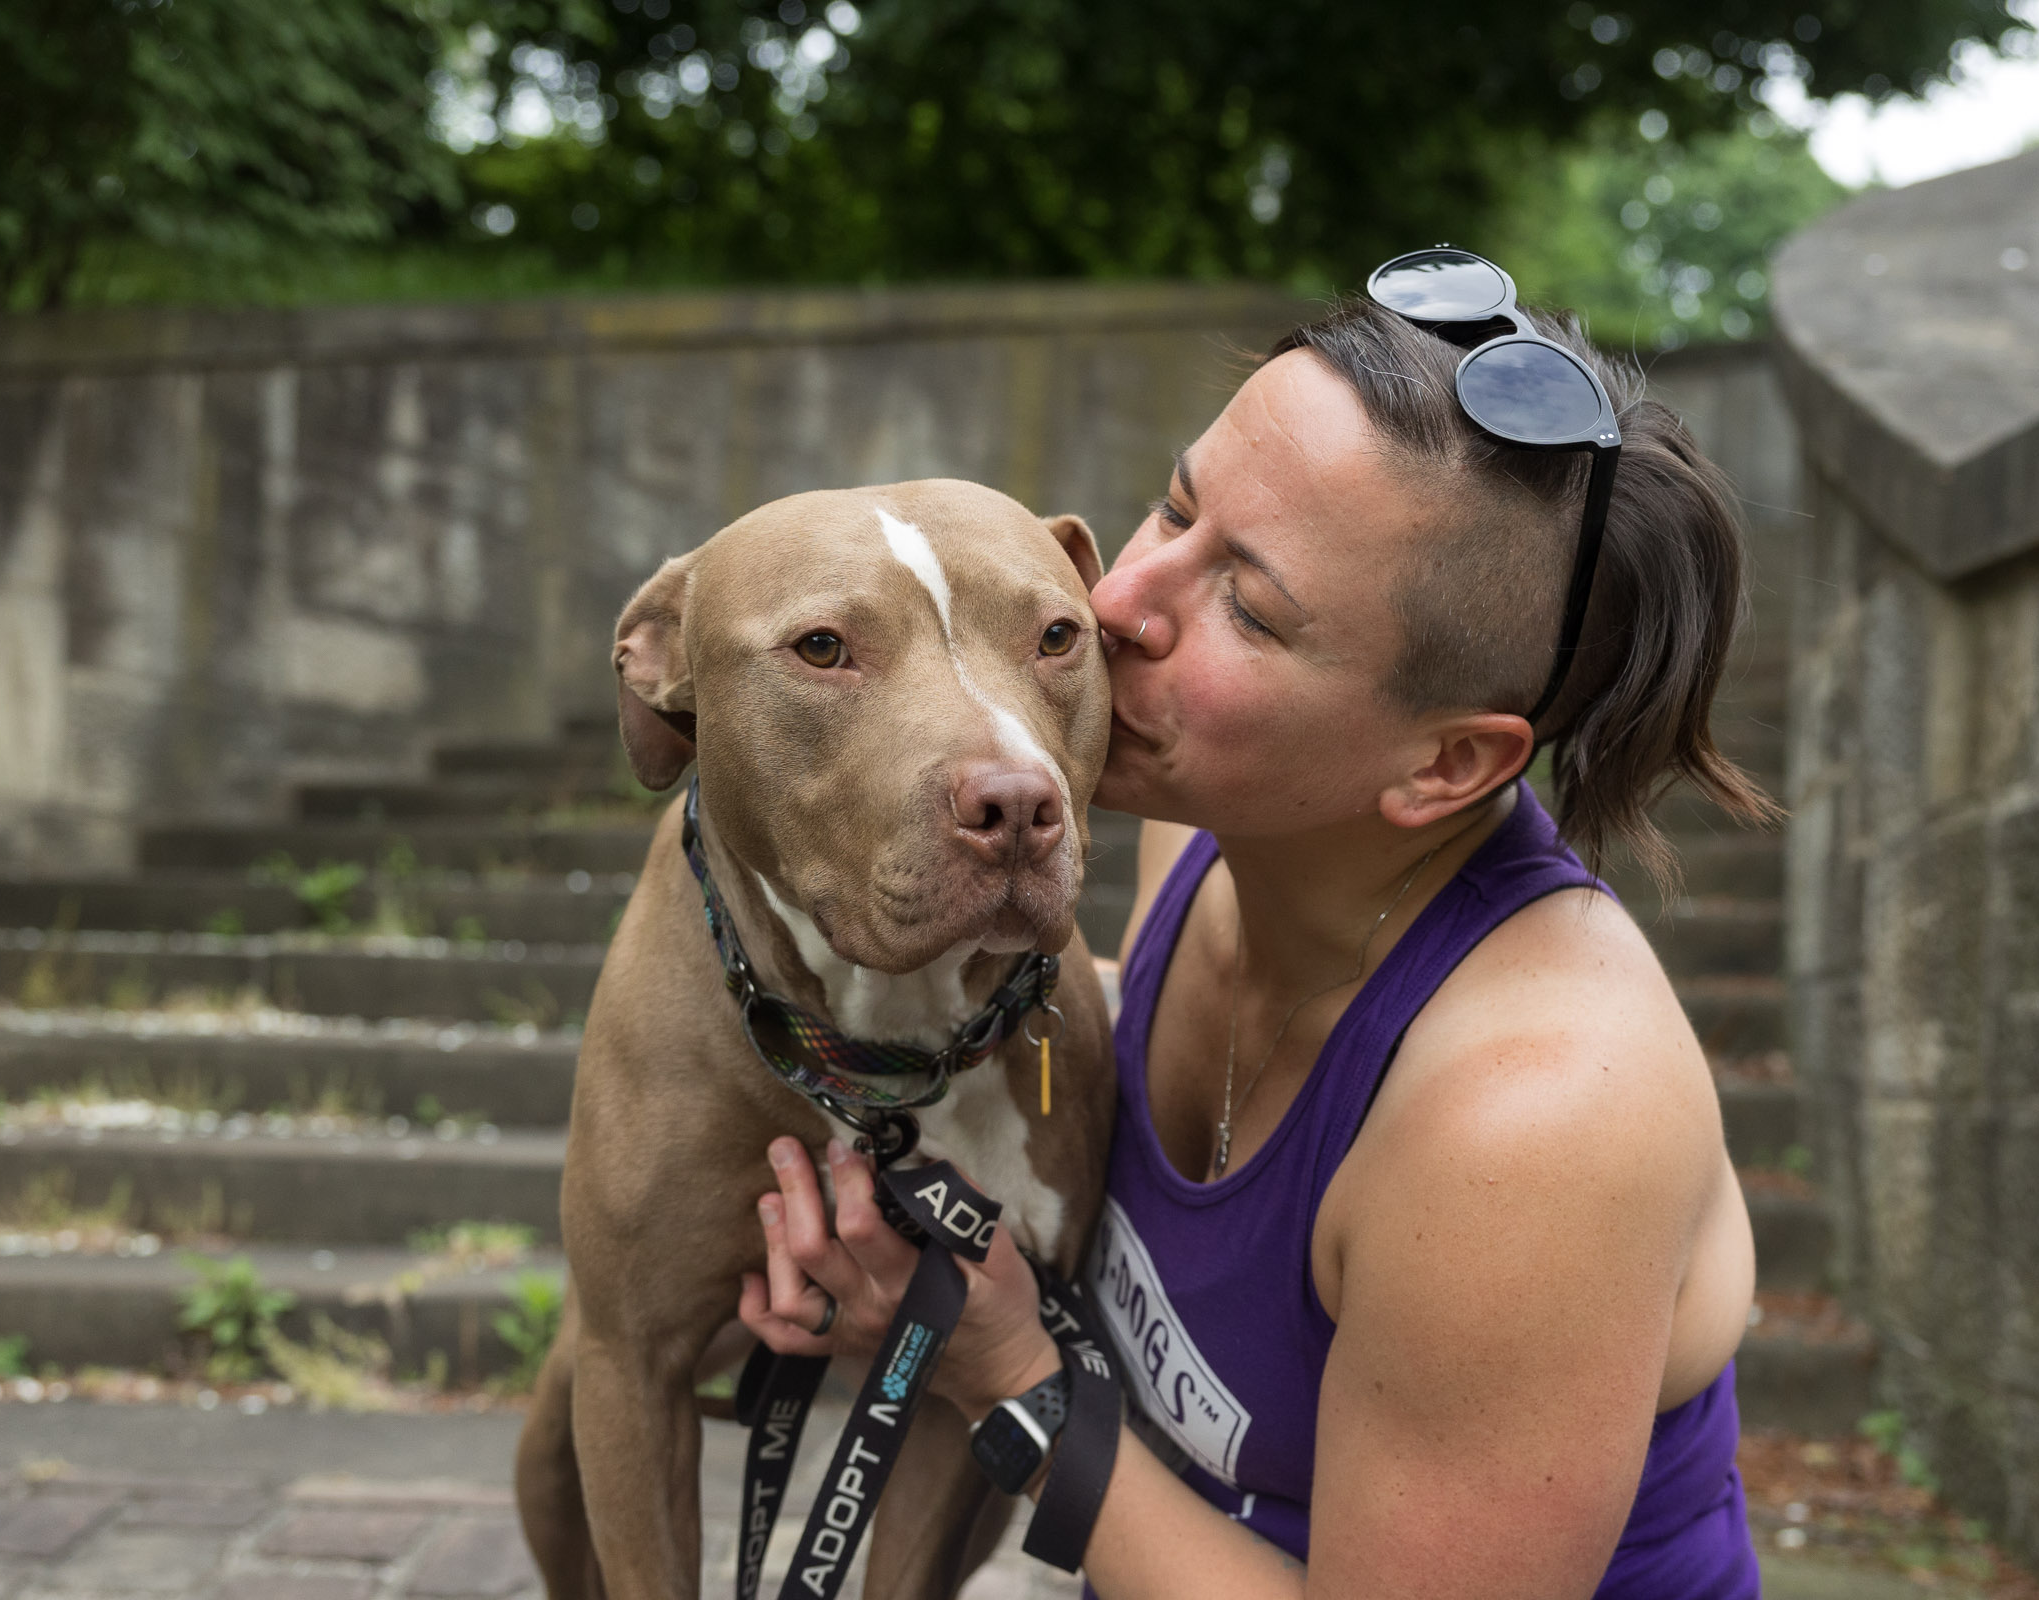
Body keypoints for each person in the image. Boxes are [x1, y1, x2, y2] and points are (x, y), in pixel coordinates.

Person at [737, 249, 1774, 1598]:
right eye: (1176, 509)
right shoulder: (1206, 839)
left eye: (1250, 605)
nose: (1116, 603)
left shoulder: (1536, 1119)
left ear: (1448, 766)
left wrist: (1002, 1370)